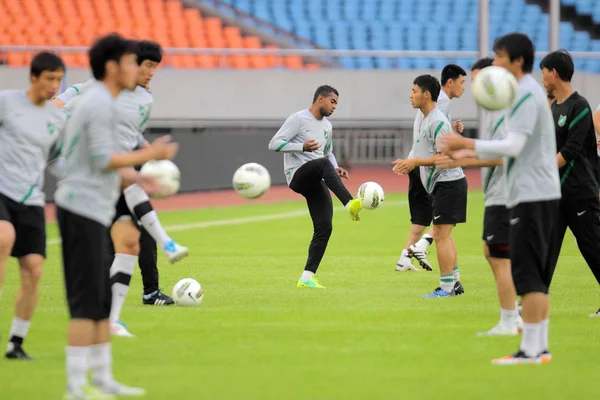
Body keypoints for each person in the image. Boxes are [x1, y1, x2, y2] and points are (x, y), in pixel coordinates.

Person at [55, 33, 178, 397]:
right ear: (112, 67)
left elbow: (107, 162)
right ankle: (76, 386)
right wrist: (148, 154)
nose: (137, 69)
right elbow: (100, 159)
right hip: (79, 208)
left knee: (101, 297)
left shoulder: (108, 102)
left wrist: (139, 177)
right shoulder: (95, 103)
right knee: (85, 301)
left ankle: (103, 378)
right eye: (130, 62)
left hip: (97, 205)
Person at [438, 32, 560, 364]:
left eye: (500, 57)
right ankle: (538, 348)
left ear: (517, 61)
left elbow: (513, 147)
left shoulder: (524, 94)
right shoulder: (525, 92)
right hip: (535, 193)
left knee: (528, 274)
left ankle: (531, 350)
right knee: (531, 273)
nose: (495, 63)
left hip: (532, 195)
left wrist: (467, 145)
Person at [435, 57, 522, 334]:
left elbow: (506, 154)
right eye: (471, 82)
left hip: (507, 193)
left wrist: (464, 156)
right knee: (492, 251)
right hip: (497, 193)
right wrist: (463, 155)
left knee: (501, 254)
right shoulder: (494, 112)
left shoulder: (506, 111)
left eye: (476, 80)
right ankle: (516, 314)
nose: (473, 87)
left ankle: (513, 318)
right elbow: (494, 151)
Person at [0, 52, 66, 359]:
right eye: (49, 78)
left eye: (59, 79)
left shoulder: (57, 118)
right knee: (3, 238)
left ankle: (16, 342)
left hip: (31, 198)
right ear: (33, 77)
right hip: (1, 189)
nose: (55, 85)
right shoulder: (6, 102)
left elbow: (60, 160)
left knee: (34, 270)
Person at [268, 85, 363, 289]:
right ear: (320, 99)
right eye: (333, 102)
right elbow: (274, 143)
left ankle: (307, 277)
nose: (334, 107)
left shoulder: (327, 126)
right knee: (321, 165)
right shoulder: (298, 119)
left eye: (336, 103)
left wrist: (336, 168)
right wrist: (300, 146)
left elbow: (327, 153)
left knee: (325, 227)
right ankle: (349, 203)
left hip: (317, 176)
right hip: (297, 175)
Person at [393, 74, 467, 298]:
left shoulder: (436, 120)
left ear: (426, 95)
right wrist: (409, 162)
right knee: (445, 235)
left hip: (449, 183)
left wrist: (415, 162)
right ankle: (454, 283)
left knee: (442, 236)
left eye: (414, 90)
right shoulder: (425, 118)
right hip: (442, 185)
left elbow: (448, 156)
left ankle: (446, 289)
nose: (410, 95)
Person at [540, 49, 600, 317]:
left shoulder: (580, 106)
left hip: (580, 191)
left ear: (554, 73)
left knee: (592, 247)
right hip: (555, 192)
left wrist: (539, 172)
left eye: (543, 71)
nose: (541, 77)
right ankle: (531, 303)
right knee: (545, 248)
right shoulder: (553, 107)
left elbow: (572, 151)